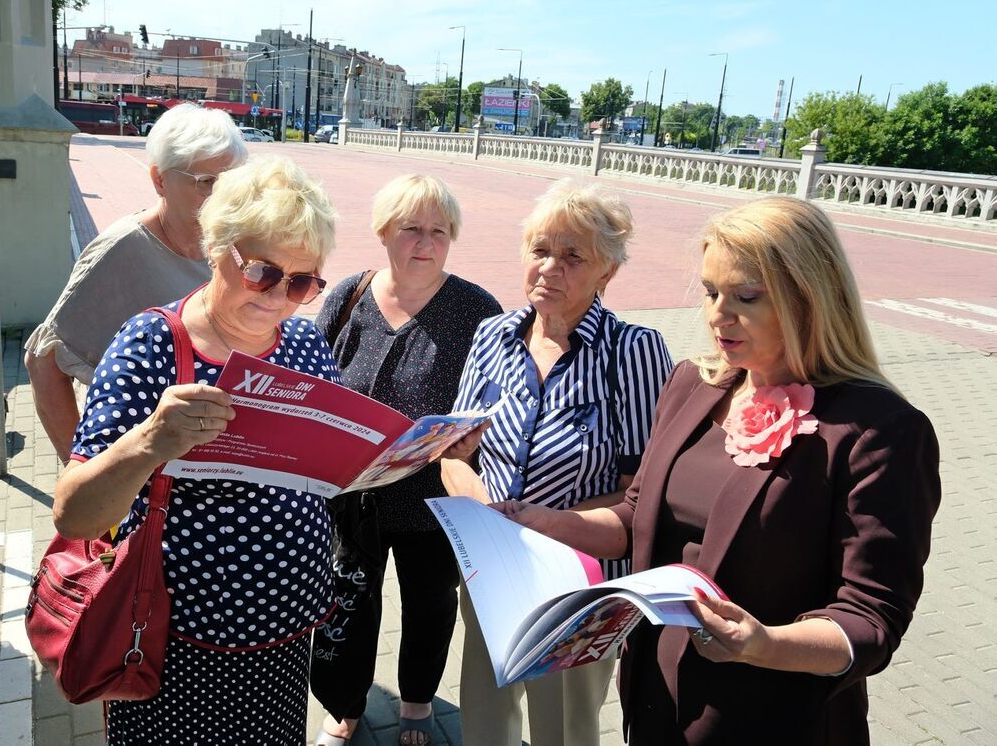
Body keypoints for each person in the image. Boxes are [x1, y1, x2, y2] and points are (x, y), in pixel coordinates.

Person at [497, 196, 941, 745]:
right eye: (711, 292)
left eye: (745, 296)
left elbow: (872, 616)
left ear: (810, 298)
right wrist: (555, 525)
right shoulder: (693, 384)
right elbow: (641, 514)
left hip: (776, 717)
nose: (716, 315)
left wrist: (767, 643)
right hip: (655, 698)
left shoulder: (878, 430)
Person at [52, 154, 341, 745]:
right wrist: (151, 440)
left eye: (303, 281)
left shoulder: (307, 344)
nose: (278, 296)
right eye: (263, 271)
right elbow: (74, 513)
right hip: (170, 636)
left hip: (283, 636)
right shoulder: (153, 342)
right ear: (218, 247)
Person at [441, 179, 674, 746]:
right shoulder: (492, 335)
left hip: (581, 580)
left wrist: (538, 524)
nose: (549, 267)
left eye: (573, 257)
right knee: (486, 712)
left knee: (564, 728)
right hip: (491, 565)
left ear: (606, 274)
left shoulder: (634, 351)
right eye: (540, 250)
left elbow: (641, 490)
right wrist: (486, 514)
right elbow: (451, 454)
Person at [310, 175, 502, 746]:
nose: (425, 242)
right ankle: (346, 703)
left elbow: (497, 397)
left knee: (429, 603)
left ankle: (417, 701)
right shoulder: (349, 295)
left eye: (438, 231)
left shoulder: (476, 309)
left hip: (434, 500)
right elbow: (315, 381)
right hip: (353, 493)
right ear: (383, 232)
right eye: (410, 229)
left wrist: (472, 441)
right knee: (349, 601)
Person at [25, 103, 247, 462]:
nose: (221, 197)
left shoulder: (226, 246)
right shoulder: (122, 250)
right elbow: (43, 362)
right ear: (159, 179)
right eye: (206, 182)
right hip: (140, 468)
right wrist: (83, 475)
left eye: (231, 182)